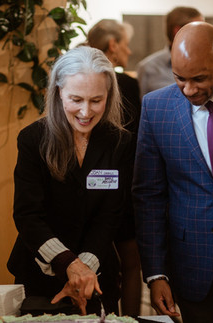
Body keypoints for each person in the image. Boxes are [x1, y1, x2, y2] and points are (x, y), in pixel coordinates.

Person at [132, 21, 213, 323]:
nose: (189, 90)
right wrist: (156, 273)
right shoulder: (157, 108)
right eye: (180, 78)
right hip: (190, 263)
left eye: (199, 79)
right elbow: (148, 196)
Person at [7, 46, 134, 316]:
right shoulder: (33, 140)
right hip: (41, 275)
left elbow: (111, 215)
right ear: (58, 92)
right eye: (76, 99)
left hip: (98, 275)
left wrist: (84, 270)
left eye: (96, 100)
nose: (85, 112)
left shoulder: (119, 142)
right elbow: (28, 215)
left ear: (108, 96)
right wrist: (69, 265)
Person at [87, 19, 142, 317]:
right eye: (125, 43)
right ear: (112, 46)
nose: (129, 50)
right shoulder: (126, 84)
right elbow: (136, 141)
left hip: (87, 187)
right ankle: (130, 319)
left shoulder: (71, 76)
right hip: (121, 182)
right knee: (131, 264)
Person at [136, 6, 204, 97]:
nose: (204, 35)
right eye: (199, 29)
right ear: (178, 31)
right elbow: (143, 108)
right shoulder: (148, 68)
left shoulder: (208, 65)